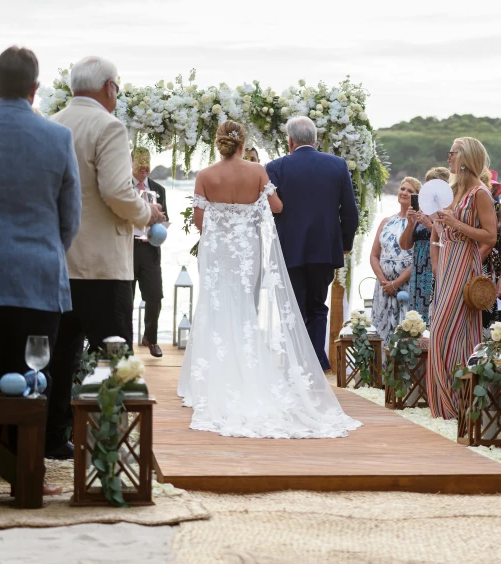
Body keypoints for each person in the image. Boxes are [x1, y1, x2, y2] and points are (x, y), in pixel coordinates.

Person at [177, 120, 361, 439]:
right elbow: (276, 206)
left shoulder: (206, 176)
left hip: (220, 251)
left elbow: (199, 222)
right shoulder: (260, 170)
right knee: (265, 309)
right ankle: (293, 369)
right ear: (242, 141)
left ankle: (217, 378)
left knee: (215, 307)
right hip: (255, 250)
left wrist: (225, 221)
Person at [45, 56, 164, 458]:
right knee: (111, 356)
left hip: (60, 262)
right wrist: (148, 214)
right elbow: (116, 191)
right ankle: (109, 441)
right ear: (109, 87)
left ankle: (53, 438)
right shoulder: (108, 126)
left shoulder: (53, 123)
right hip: (103, 266)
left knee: (61, 356)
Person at [0, 47, 81, 498]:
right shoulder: (56, 138)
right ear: (35, 88)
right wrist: (46, 252)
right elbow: (70, 218)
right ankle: (24, 478)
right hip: (38, 278)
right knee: (30, 380)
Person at [265, 116, 359, 370]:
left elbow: (269, 211)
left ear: (290, 140)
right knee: (318, 306)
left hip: (289, 249)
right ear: (315, 140)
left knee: (293, 307)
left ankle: (294, 362)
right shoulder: (337, 165)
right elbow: (350, 211)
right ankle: (315, 362)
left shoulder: (275, 167)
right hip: (324, 250)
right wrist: (345, 243)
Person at [427, 137, 497, 420]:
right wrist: (438, 224)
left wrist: (457, 224)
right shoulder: (454, 190)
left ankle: (458, 402)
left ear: (465, 158)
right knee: (443, 332)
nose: (448, 158)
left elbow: (490, 236)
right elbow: (443, 232)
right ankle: (446, 405)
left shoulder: (480, 193)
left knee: (448, 332)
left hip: (464, 264)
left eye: (452, 153)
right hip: (446, 263)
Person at [370, 177, 421, 345]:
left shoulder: (418, 224)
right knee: (382, 332)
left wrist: (396, 283)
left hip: (405, 287)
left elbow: (417, 259)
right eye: (402, 188)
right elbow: (374, 255)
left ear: (417, 197)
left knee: (405, 335)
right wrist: (384, 282)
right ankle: (382, 369)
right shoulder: (386, 221)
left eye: (410, 191)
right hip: (384, 288)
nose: (404, 192)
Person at [399, 167, 450, 322]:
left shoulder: (447, 211)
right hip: (418, 269)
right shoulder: (423, 208)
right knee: (416, 319)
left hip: (435, 267)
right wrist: (411, 223)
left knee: (433, 315)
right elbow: (405, 245)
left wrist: (429, 225)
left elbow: (449, 240)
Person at [132, 146, 169, 358]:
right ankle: (124, 342)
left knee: (154, 296)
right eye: (139, 161)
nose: (144, 165)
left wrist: (162, 220)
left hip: (150, 249)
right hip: (127, 248)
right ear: (131, 163)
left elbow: (165, 217)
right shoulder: (123, 187)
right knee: (124, 297)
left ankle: (151, 339)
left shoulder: (158, 189)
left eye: (147, 160)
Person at [481, 170, 501, 328]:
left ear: (494, 190)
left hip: (495, 275)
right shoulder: (475, 210)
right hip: (478, 272)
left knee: (492, 325)